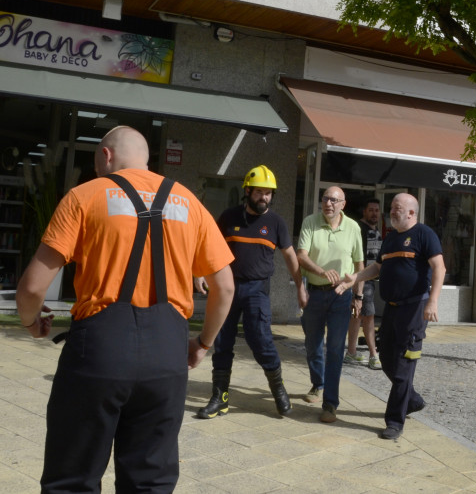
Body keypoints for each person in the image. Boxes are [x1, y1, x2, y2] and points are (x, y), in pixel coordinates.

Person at [15, 126, 235, 492]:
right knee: (150, 482)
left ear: (105, 156)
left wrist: (31, 322)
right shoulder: (189, 203)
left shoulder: (84, 196)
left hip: (98, 353)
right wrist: (202, 343)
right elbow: (225, 287)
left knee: (72, 478)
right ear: (146, 158)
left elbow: (32, 288)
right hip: (167, 356)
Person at [195, 165, 305, 419]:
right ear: (247, 191)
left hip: (257, 290)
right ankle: (219, 398)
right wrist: (199, 272)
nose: (264, 197)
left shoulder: (275, 222)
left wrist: (300, 286)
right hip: (227, 288)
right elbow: (209, 246)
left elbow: (290, 256)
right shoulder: (229, 217)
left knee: (262, 341)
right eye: (259, 192)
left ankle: (278, 388)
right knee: (221, 342)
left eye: (268, 193)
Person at [339, 192, 445, 441]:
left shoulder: (424, 234)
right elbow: (378, 267)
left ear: (411, 212)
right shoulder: (390, 239)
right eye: (392, 207)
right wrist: (355, 278)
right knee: (386, 358)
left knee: (405, 365)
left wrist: (433, 301)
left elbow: (439, 267)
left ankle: (395, 421)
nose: (392, 211)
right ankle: (413, 399)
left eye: (398, 208)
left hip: (415, 309)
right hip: (393, 309)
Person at [296, 186, 364, 423]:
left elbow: (359, 264)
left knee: (335, 349)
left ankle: (330, 403)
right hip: (314, 294)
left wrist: (358, 295)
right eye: (325, 198)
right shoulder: (310, 222)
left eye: (334, 200)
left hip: (340, 296)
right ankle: (318, 383)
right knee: (313, 343)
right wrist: (322, 272)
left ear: (343, 204)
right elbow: (301, 255)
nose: (329, 204)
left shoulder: (353, 227)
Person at [345, 198, 382, 370]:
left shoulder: (375, 230)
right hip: (362, 279)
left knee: (357, 316)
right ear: (364, 212)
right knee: (368, 317)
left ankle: (351, 352)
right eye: (371, 210)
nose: (374, 213)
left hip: (369, 279)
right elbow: (358, 258)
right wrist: (358, 284)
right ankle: (374, 355)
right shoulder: (360, 229)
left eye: (377, 210)